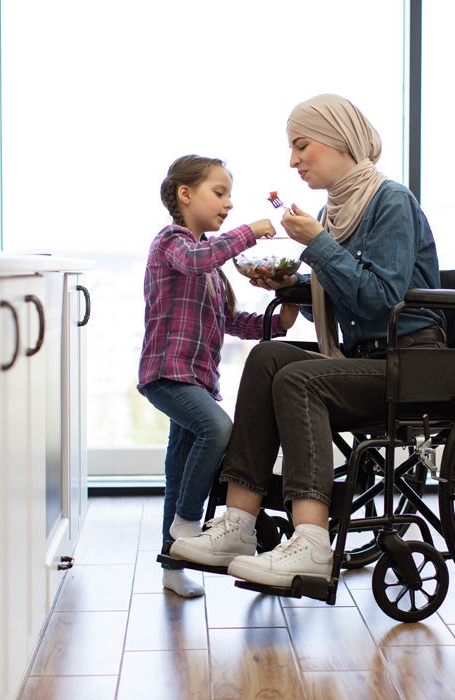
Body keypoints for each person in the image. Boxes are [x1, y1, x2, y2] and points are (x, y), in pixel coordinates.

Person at [170, 95, 446, 588]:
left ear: (340, 141)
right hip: (360, 359)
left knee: (299, 378)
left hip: (409, 362)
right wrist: (287, 285)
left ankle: (313, 543)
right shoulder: (334, 211)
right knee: (269, 355)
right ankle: (238, 524)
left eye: (301, 146)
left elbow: (382, 300)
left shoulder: (391, 201)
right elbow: (343, 289)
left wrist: (316, 244)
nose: (293, 160)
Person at [138, 154, 300, 597]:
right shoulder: (172, 243)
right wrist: (252, 231)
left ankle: (174, 564)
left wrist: (282, 321)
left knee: (179, 469)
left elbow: (232, 321)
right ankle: (190, 527)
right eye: (219, 192)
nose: (228, 203)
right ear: (185, 195)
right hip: (167, 374)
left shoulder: (209, 270)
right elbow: (197, 258)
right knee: (218, 427)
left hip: (196, 380)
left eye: (230, 195)